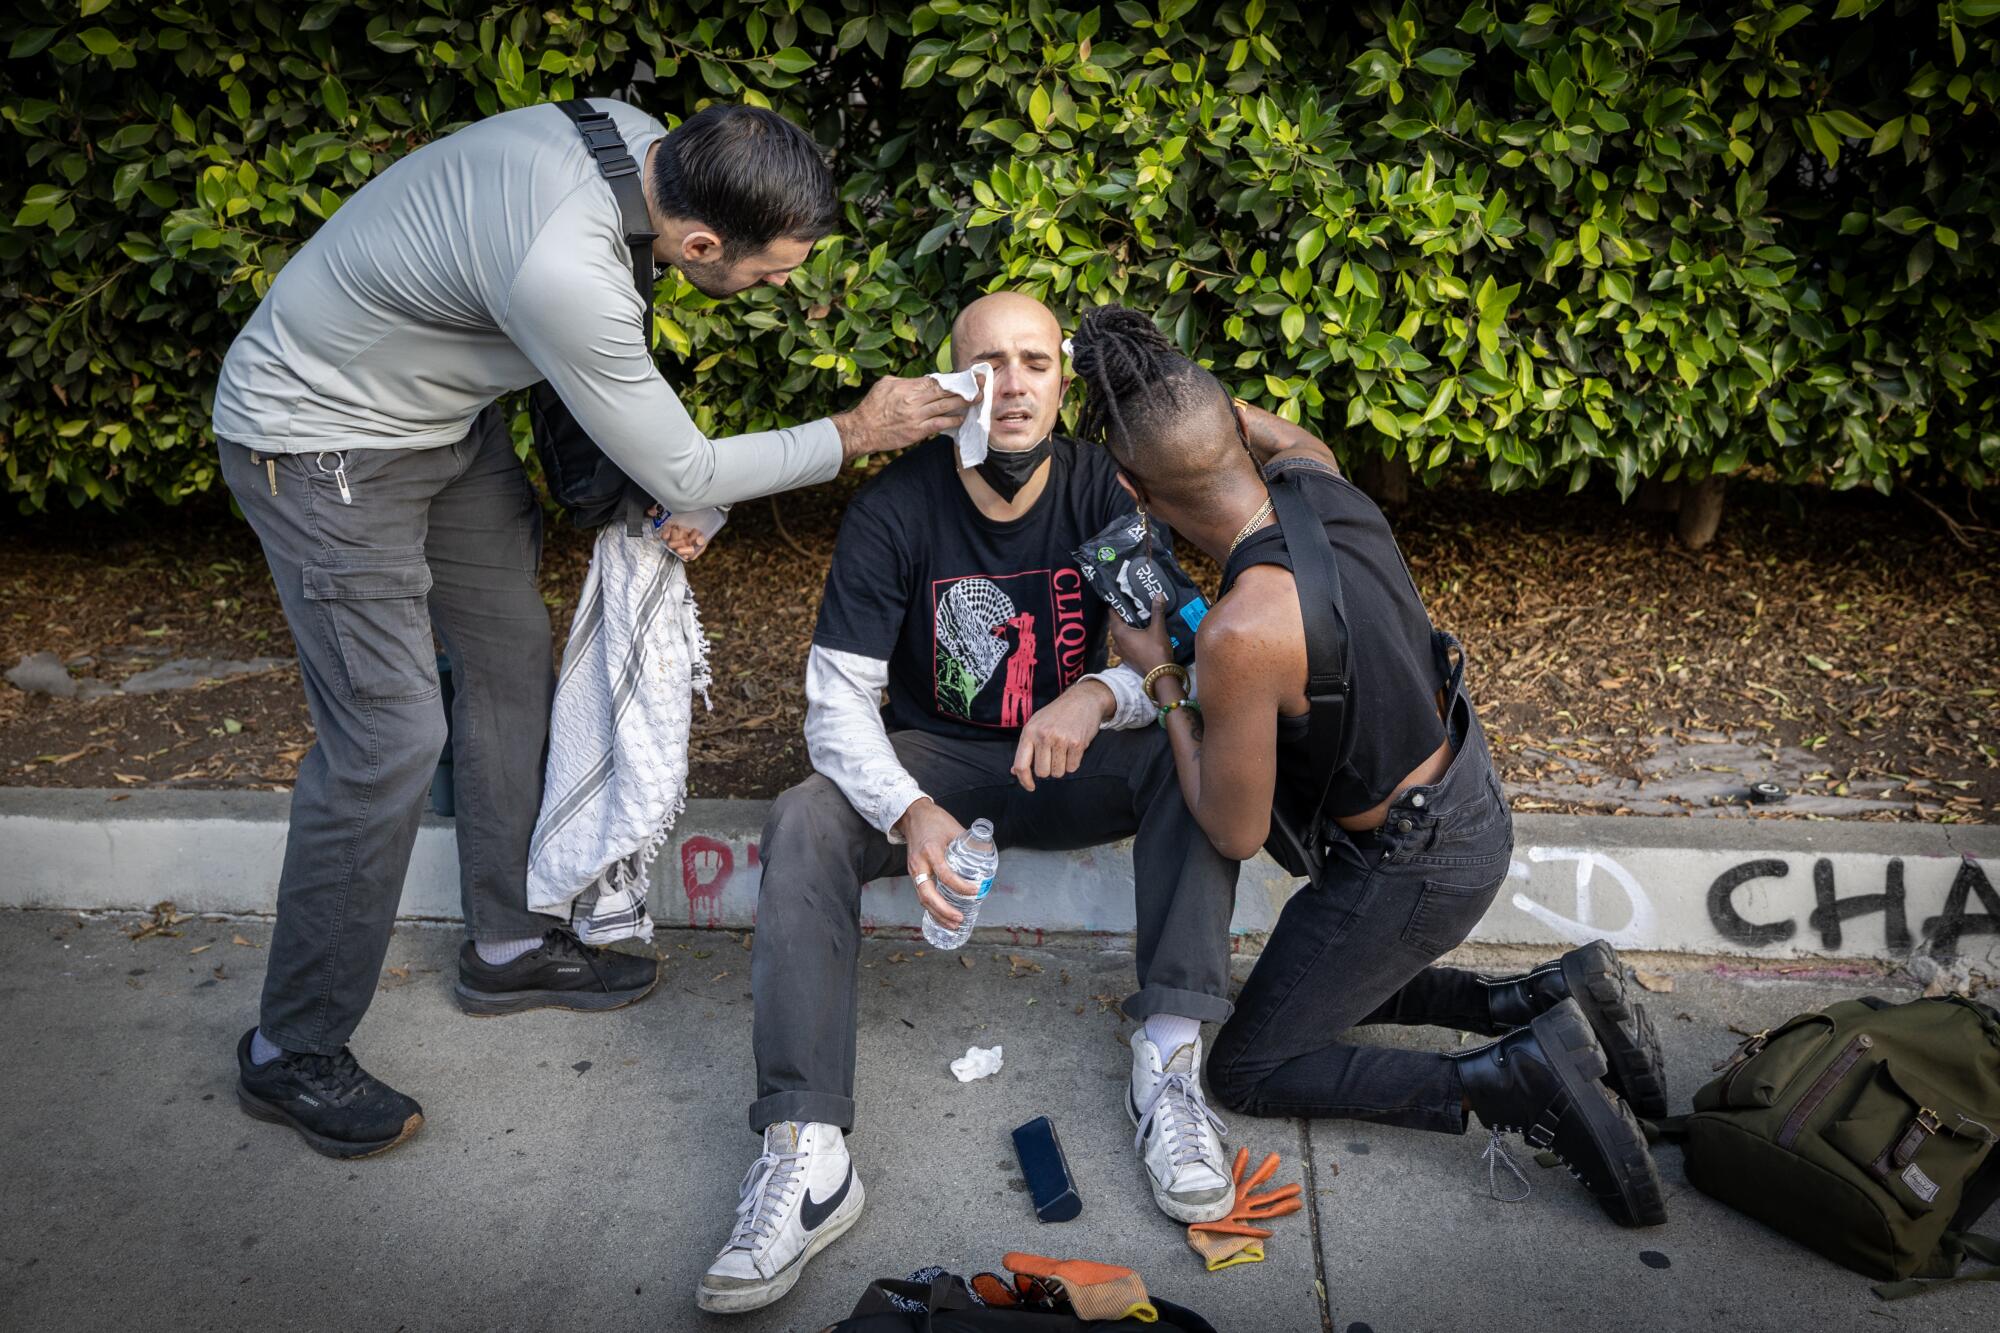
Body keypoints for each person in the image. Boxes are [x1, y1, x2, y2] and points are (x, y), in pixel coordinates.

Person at [215, 97, 969, 1160]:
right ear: (701, 242)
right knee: (387, 740)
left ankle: (508, 943)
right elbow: (688, 464)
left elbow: (599, 381)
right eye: (768, 271)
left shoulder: (635, 137)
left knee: (510, 661)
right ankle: (287, 1049)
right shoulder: (559, 263)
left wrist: (629, 486)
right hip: (321, 439)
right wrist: (855, 431)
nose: (782, 285)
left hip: (440, 416)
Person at [695, 293, 1242, 1314]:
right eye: (988, 362)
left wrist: (1093, 691)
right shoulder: (896, 507)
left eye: (1035, 360)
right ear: (954, 382)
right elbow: (835, 703)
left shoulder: (1094, 491)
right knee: (808, 814)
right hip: (935, 758)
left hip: (1068, 758)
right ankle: (806, 1153)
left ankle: (1168, 1062)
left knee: (1189, 752)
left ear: (1062, 383)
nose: (1014, 381)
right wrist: (909, 811)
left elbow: (1179, 664)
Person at [1067, 305, 1671, 1228]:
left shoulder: (1241, 633)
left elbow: (1230, 826)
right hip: (1466, 799)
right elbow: (1261, 431)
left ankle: (1514, 1078)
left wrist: (1154, 664)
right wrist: (1185, 393)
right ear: (1240, 423)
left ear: (1132, 494)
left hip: (1410, 869)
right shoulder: (1323, 482)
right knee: (1304, 987)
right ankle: (1549, 994)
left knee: (1250, 1064)